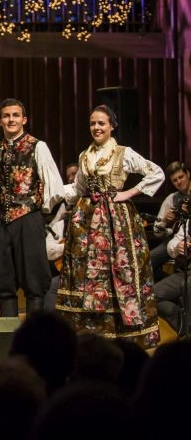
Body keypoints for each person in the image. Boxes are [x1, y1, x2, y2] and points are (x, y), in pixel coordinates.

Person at [55, 104, 164, 348]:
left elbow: (156, 173)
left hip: (115, 220)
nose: (96, 127)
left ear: (112, 126)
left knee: (118, 269)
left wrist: (128, 193)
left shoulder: (123, 153)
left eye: (101, 123)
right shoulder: (85, 155)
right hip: (86, 221)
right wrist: (53, 189)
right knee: (85, 274)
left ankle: (124, 334)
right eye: (93, 123)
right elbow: (79, 189)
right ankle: (90, 333)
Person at [0, 98, 66, 316]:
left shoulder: (37, 146)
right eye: (6, 116)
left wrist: (38, 209)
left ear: (24, 119)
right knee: (3, 281)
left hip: (28, 218)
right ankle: (7, 341)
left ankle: (35, 338)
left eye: (15, 115)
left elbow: (55, 185)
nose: (10, 119)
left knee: (34, 282)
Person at [152, 201, 191, 335]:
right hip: (187, 271)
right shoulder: (189, 222)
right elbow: (173, 243)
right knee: (154, 294)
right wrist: (178, 245)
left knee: (188, 286)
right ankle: (184, 325)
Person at [149, 161, 191, 280]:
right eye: (175, 180)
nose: (179, 182)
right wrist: (166, 221)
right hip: (175, 239)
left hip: (189, 238)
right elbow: (157, 232)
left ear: (187, 174)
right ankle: (169, 282)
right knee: (147, 262)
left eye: (181, 177)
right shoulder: (172, 198)